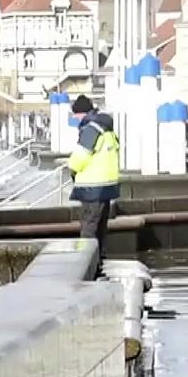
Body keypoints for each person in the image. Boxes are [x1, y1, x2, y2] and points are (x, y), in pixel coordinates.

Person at [65, 95, 120, 272]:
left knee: (88, 229)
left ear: (82, 113)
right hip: (106, 186)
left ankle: (84, 266)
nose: (74, 118)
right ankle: (99, 262)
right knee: (100, 229)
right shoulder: (106, 128)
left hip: (92, 187)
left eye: (76, 115)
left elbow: (80, 157)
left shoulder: (91, 129)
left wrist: (71, 167)